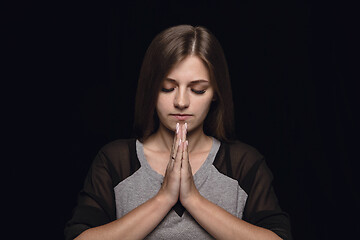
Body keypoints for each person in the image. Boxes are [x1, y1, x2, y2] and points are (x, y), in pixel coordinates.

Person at [65, 25, 292, 240]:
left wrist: (193, 199)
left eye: (197, 90)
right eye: (167, 88)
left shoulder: (242, 163)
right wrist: (163, 197)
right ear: (151, 89)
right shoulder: (115, 160)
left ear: (215, 93)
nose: (181, 102)